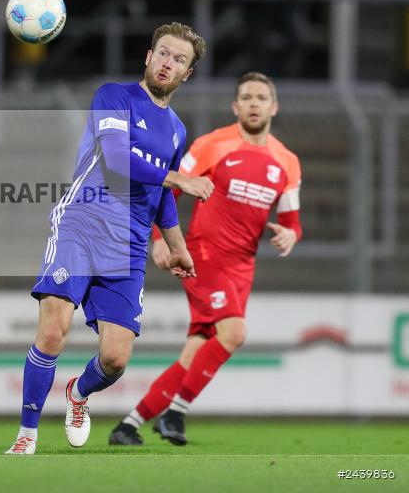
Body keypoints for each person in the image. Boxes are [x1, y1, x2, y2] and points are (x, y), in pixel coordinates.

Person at [5, 23, 215, 454]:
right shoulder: (114, 97)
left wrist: (177, 247)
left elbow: (162, 198)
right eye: (162, 53)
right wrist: (180, 178)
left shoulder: (176, 129)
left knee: (116, 359)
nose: (167, 63)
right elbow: (118, 161)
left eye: (179, 59)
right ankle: (26, 437)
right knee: (53, 330)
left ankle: (78, 394)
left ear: (187, 74)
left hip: (130, 246)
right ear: (148, 56)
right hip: (82, 225)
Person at [109, 71, 302, 447]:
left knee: (195, 353)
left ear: (273, 107)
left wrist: (290, 233)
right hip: (203, 254)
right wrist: (160, 239)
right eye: (246, 97)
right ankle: (175, 415)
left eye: (261, 97)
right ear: (235, 105)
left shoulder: (288, 162)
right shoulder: (213, 145)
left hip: (243, 266)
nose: (253, 103)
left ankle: (129, 425)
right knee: (234, 333)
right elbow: (168, 189)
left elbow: (293, 220)